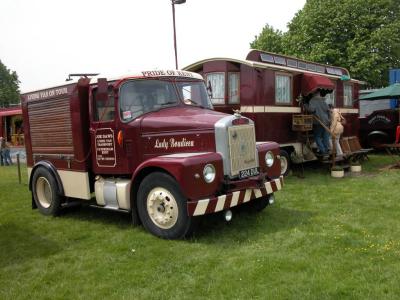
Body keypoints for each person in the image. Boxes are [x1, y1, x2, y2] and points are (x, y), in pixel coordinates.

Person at [305, 90, 331, 157]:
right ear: (319, 94)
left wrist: (305, 105)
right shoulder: (324, 100)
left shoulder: (313, 100)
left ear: (313, 94)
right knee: (325, 136)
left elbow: (311, 110)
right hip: (326, 121)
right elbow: (328, 110)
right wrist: (329, 119)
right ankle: (327, 149)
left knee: (317, 137)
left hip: (318, 122)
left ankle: (323, 151)